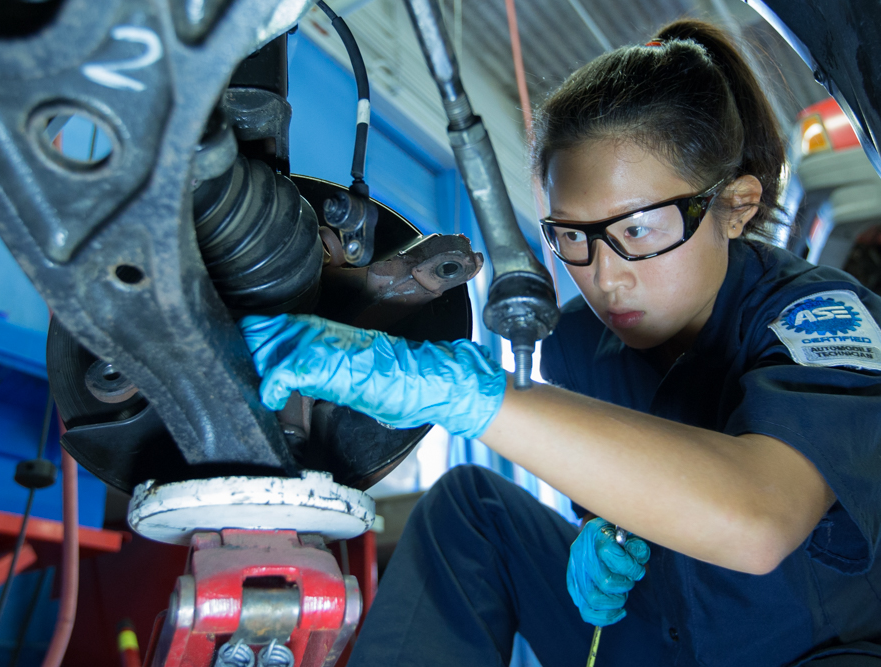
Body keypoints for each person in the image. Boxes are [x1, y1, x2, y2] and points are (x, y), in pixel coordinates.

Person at [240, 19, 881, 667]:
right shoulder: (577, 342)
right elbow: (615, 504)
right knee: (471, 509)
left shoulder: (819, 317)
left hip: (808, 651)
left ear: (736, 206)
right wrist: (600, 532)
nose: (604, 275)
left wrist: (470, 391)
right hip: (656, 637)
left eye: (637, 228)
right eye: (572, 236)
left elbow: (760, 519)